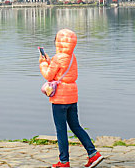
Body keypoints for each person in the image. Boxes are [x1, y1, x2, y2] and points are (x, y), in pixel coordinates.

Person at [39, 29, 104, 168]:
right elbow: (64, 72)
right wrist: (50, 61)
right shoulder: (72, 57)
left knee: (61, 130)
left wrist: (43, 63)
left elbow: (49, 76)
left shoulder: (58, 57)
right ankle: (93, 154)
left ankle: (64, 162)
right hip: (72, 96)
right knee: (76, 126)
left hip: (60, 100)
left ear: (59, 42)